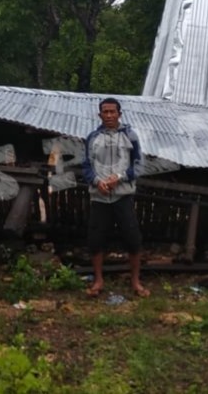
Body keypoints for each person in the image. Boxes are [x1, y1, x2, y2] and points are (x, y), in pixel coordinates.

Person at [81, 97, 149, 298]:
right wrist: (96, 181)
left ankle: (135, 281)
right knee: (96, 239)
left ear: (120, 114)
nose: (109, 115)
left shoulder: (130, 136)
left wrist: (119, 178)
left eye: (113, 112)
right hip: (99, 197)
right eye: (105, 112)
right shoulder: (92, 137)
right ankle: (98, 280)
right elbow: (86, 165)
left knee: (132, 238)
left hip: (123, 196)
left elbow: (138, 165)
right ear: (99, 115)